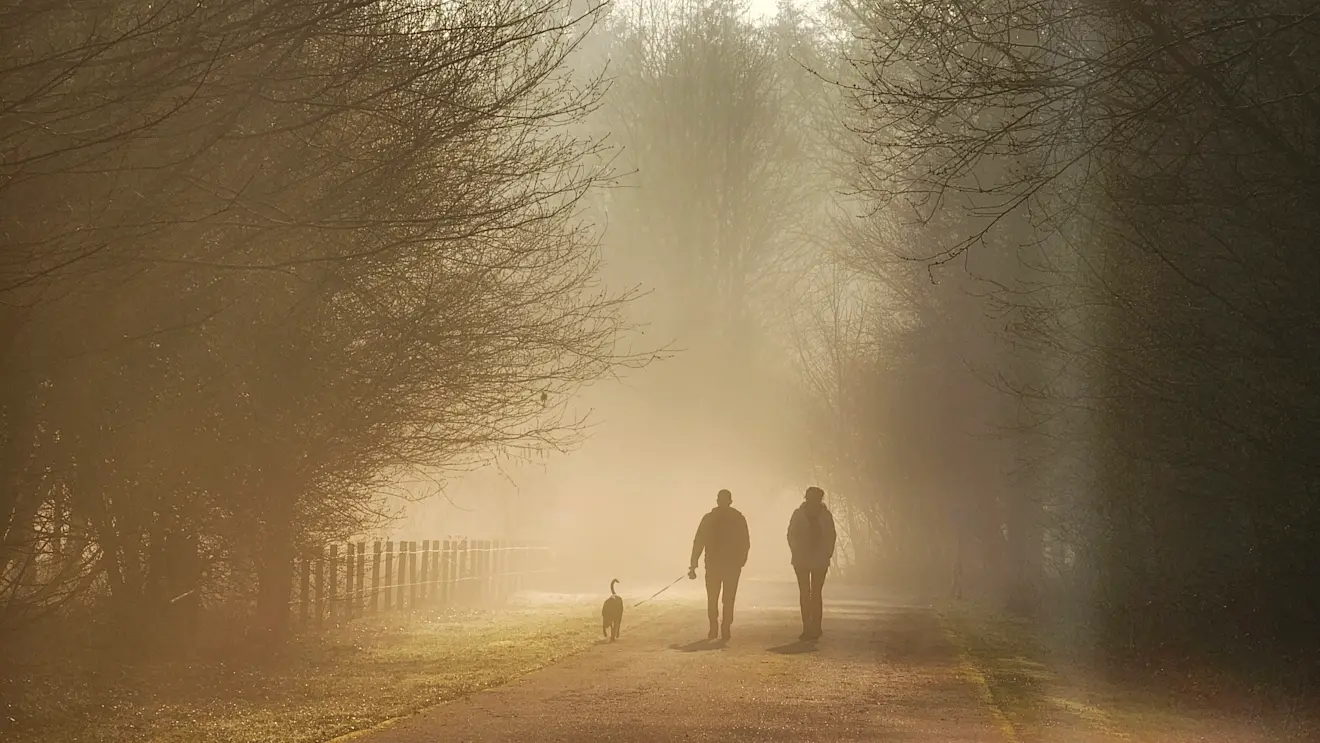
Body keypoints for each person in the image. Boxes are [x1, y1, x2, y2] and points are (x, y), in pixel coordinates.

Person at [688, 488, 750, 641]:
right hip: (731, 565)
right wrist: (741, 560)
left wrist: (693, 564)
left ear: (718, 500)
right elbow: (745, 542)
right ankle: (725, 626)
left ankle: (714, 626)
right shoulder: (738, 518)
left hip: (714, 564)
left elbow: (699, 542)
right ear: (730, 501)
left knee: (713, 597)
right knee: (728, 598)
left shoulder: (709, 518)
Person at [787, 486, 837, 641]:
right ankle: (807, 626)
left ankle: (816, 626)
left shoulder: (825, 516)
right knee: (805, 593)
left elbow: (831, 535)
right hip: (801, 559)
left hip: (820, 559)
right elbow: (791, 535)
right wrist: (795, 551)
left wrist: (828, 553)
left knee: (815, 593)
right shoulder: (798, 514)